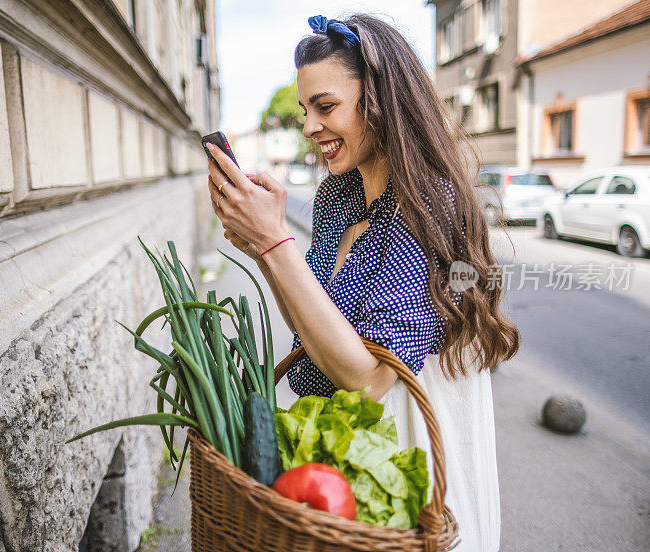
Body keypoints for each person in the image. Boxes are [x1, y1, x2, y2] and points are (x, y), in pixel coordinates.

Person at [204, 13, 520, 552]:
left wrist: (277, 243)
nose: (309, 126)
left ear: (380, 98)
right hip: (350, 455)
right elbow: (313, 331)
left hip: (407, 459)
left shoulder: (429, 205)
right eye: (306, 110)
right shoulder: (337, 198)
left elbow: (370, 382)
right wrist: (265, 248)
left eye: (325, 107)